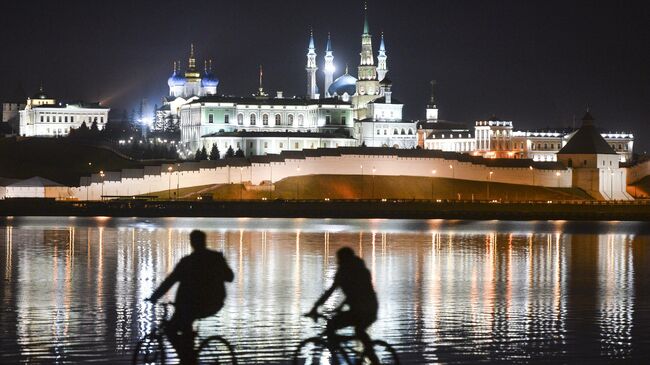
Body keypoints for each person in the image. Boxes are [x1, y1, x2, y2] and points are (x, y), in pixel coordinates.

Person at [147, 230, 234, 364]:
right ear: (204, 242)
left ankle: (186, 357)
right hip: (213, 303)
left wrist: (154, 297)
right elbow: (230, 277)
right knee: (182, 324)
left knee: (172, 328)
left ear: (192, 243)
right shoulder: (216, 258)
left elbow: (170, 281)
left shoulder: (187, 261)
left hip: (194, 305)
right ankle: (188, 354)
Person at [307, 247, 379, 364]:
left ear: (344, 259)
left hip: (364, 310)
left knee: (353, 329)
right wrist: (339, 307)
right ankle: (362, 353)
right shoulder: (358, 270)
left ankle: (372, 359)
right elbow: (351, 294)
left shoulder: (348, 272)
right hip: (366, 308)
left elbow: (333, 292)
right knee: (356, 330)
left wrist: (315, 307)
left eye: (339, 259)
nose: (338, 261)